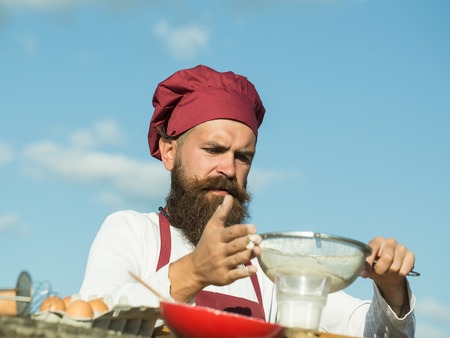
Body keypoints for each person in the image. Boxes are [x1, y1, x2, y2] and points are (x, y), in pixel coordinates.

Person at [79, 65, 416, 337]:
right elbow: (86, 322)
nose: (228, 168)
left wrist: (391, 288)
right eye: (213, 150)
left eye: (243, 157)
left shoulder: (267, 264)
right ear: (170, 152)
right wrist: (193, 272)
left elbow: (366, 330)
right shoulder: (132, 233)